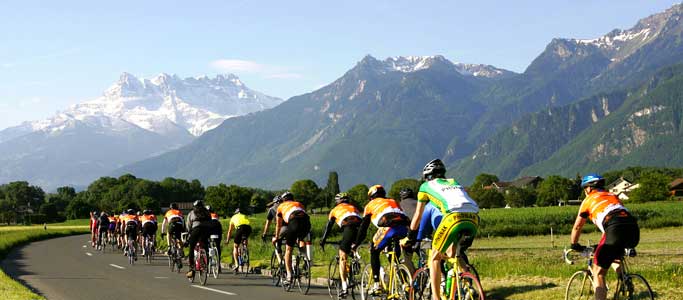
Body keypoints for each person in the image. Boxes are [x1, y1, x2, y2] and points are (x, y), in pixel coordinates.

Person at [405, 159, 479, 300]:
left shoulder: (425, 186)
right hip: (473, 218)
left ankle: (437, 297)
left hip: (452, 218)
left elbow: (417, 217)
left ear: (427, 176)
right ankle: (468, 286)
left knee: (434, 258)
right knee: (452, 253)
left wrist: (409, 237)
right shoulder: (454, 182)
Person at [570, 173, 640, 300]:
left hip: (613, 227)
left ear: (589, 188)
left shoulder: (588, 200)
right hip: (633, 228)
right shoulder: (612, 195)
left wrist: (574, 244)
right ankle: (624, 279)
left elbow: (577, 227)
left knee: (598, 272)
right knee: (613, 253)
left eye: (584, 189)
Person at [352, 185, 409, 296]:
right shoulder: (393, 201)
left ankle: (377, 284)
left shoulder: (370, 205)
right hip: (403, 228)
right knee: (395, 258)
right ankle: (404, 283)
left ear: (371, 197)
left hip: (388, 228)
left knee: (374, 251)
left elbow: (363, 229)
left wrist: (356, 243)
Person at [320, 192, 362, 298]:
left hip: (349, 229)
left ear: (338, 202)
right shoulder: (354, 208)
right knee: (352, 246)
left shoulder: (334, 210)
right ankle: (356, 260)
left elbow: (328, 227)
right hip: (361, 230)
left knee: (342, 257)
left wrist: (323, 240)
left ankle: (344, 288)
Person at [273, 191, 311, 285]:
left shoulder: (280, 207)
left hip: (293, 222)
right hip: (306, 223)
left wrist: (276, 237)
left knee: (288, 249)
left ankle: (289, 276)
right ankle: (305, 258)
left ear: (283, 200)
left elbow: (278, 225)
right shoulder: (299, 204)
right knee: (301, 239)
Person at [185, 200, 212, 278]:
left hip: (196, 230)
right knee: (205, 246)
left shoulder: (192, 212)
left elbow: (188, 225)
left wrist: (189, 233)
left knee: (192, 247)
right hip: (206, 230)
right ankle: (205, 262)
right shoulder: (207, 212)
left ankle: (191, 269)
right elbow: (210, 222)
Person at [398, 188, 418, 274]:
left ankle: (413, 278)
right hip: (424, 232)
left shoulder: (399, 205)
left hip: (409, 233)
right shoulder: (418, 203)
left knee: (407, 258)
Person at [226, 208, 252, 273]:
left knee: (235, 246)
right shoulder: (244, 215)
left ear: (235, 213)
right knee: (245, 238)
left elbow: (230, 231)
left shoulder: (233, 217)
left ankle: (237, 264)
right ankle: (245, 247)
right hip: (248, 228)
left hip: (240, 228)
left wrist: (227, 240)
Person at [262, 195, 286, 259]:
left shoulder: (272, 209)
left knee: (276, 242)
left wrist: (264, 234)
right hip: (292, 227)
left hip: (281, 229)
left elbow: (268, 224)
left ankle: (281, 263)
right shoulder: (286, 207)